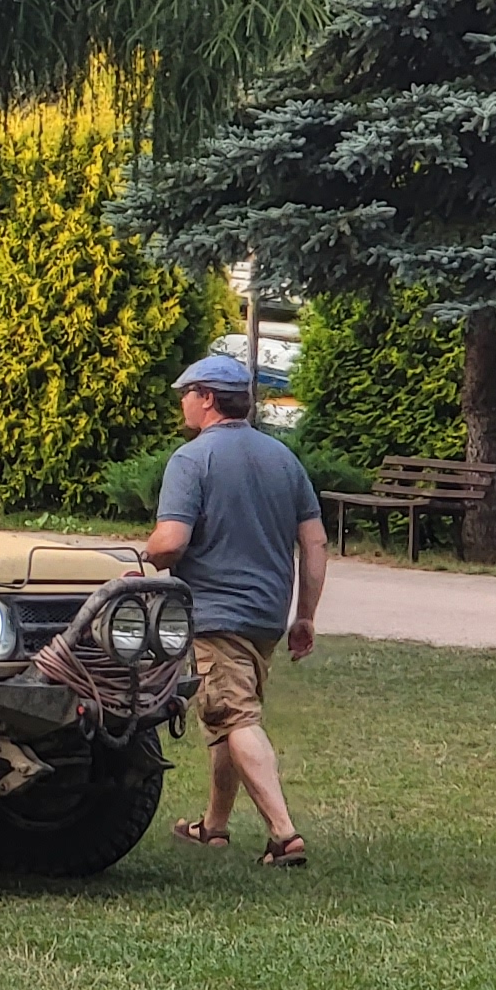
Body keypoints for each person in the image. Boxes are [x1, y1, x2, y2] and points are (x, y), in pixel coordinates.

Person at [139, 353, 325, 867]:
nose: (182, 403)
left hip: (214, 615)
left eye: (186, 394)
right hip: (266, 616)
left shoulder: (192, 459)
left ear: (207, 399)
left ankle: (284, 835)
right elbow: (314, 544)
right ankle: (214, 826)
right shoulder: (283, 458)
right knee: (227, 715)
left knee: (236, 717)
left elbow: (171, 542)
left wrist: (142, 557)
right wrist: (305, 615)